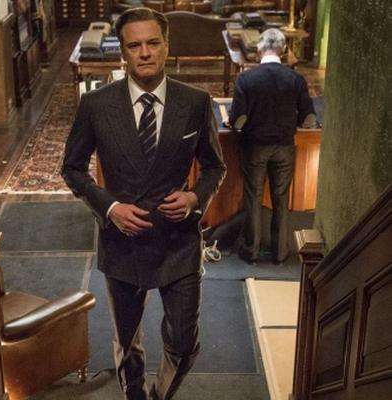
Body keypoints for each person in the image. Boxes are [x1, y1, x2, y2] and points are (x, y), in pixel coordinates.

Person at [61, 8, 226, 400]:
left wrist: (194, 197)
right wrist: (110, 208)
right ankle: (134, 394)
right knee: (127, 341)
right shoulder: (96, 105)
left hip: (179, 242)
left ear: (166, 45)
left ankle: (159, 395)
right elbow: (72, 169)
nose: (145, 52)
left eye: (153, 43)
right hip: (122, 243)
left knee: (183, 343)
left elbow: (215, 167)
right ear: (123, 52)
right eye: (135, 45)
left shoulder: (196, 102)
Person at [229, 28, 316, 265]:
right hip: (285, 147)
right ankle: (280, 252)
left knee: (253, 197)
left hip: (255, 147)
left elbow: (238, 120)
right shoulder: (296, 79)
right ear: (283, 49)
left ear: (259, 48)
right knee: (281, 198)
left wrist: (238, 124)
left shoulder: (246, 79)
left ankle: (251, 251)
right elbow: (309, 119)